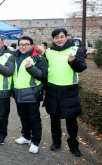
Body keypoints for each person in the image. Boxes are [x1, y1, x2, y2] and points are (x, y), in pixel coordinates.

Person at [43, 28, 87, 157]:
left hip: (69, 90)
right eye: (56, 37)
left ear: (66, 37)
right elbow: (45, 71)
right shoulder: (48, 52)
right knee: (54, 118)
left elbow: (82, 68)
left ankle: (73, 146)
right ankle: (56, 142)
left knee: (71, 121)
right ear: (53, 39)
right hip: (52, 89)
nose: (59, 39)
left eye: (61, 37)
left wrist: (74, 61)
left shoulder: (75, 50)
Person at [11, 36, 47, 154]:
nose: (23, 46)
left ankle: (35, 142)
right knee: (23, 117)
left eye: (26, 44)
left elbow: (43, 75)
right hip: (19, 93)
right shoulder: (15, 57)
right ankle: (26, 136)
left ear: (32, 45)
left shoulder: (38, 58)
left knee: (34, 118)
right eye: (21, 44)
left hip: (32, 93)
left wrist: (31, 68)